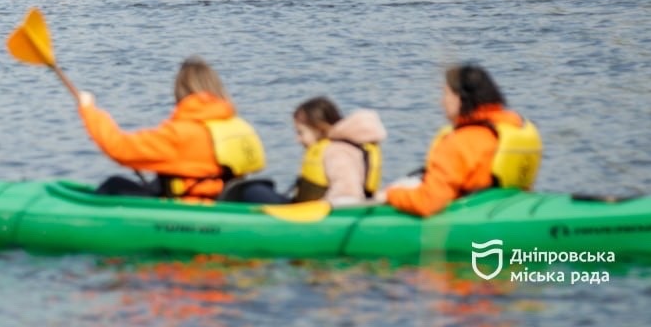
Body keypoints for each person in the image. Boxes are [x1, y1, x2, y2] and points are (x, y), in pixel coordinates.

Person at [76, 56, 267, 199]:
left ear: (180, 91)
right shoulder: (235, 126)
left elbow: (118, 147)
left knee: (113, 185)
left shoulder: (180, 134)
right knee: (158, 182)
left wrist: (89, 110)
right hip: (222, 200)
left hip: (190, 208)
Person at [375, 64, 542, 217]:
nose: (441, 101)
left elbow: (428, 203)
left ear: (460, 99)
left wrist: (390, 194)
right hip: (511, 207)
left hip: (471, 217)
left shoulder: (460, 142)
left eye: (445, 94)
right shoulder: (514, 126)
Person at [226, 96, 387, 205]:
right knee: (258, 188)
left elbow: (347, 195)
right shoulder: (337, 147)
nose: (298, 139)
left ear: (319, 128)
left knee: (250, 191)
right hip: (309, 209)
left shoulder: (337, 151)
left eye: (301, 132)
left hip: (319, 216)